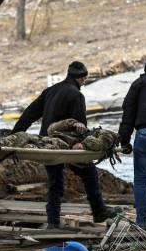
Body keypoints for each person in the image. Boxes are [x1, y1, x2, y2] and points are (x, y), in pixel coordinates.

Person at [11, 61, 119, 228]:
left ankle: (53, 223)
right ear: (82, 78)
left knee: (55, 183)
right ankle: (99, 211)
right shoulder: (76, 95)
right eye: (84, 80)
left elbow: (29, 114)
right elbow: (80, 124)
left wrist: (15, 136)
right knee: (89, 173)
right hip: (66, 145)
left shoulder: (50, 91)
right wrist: (83, 144)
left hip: (46, 145)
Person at [118, 57, 146, 228]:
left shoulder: (138, 84)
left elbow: (128, 114)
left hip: (144, 134)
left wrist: (124, 141)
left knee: (141, 180)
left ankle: (143, 222)